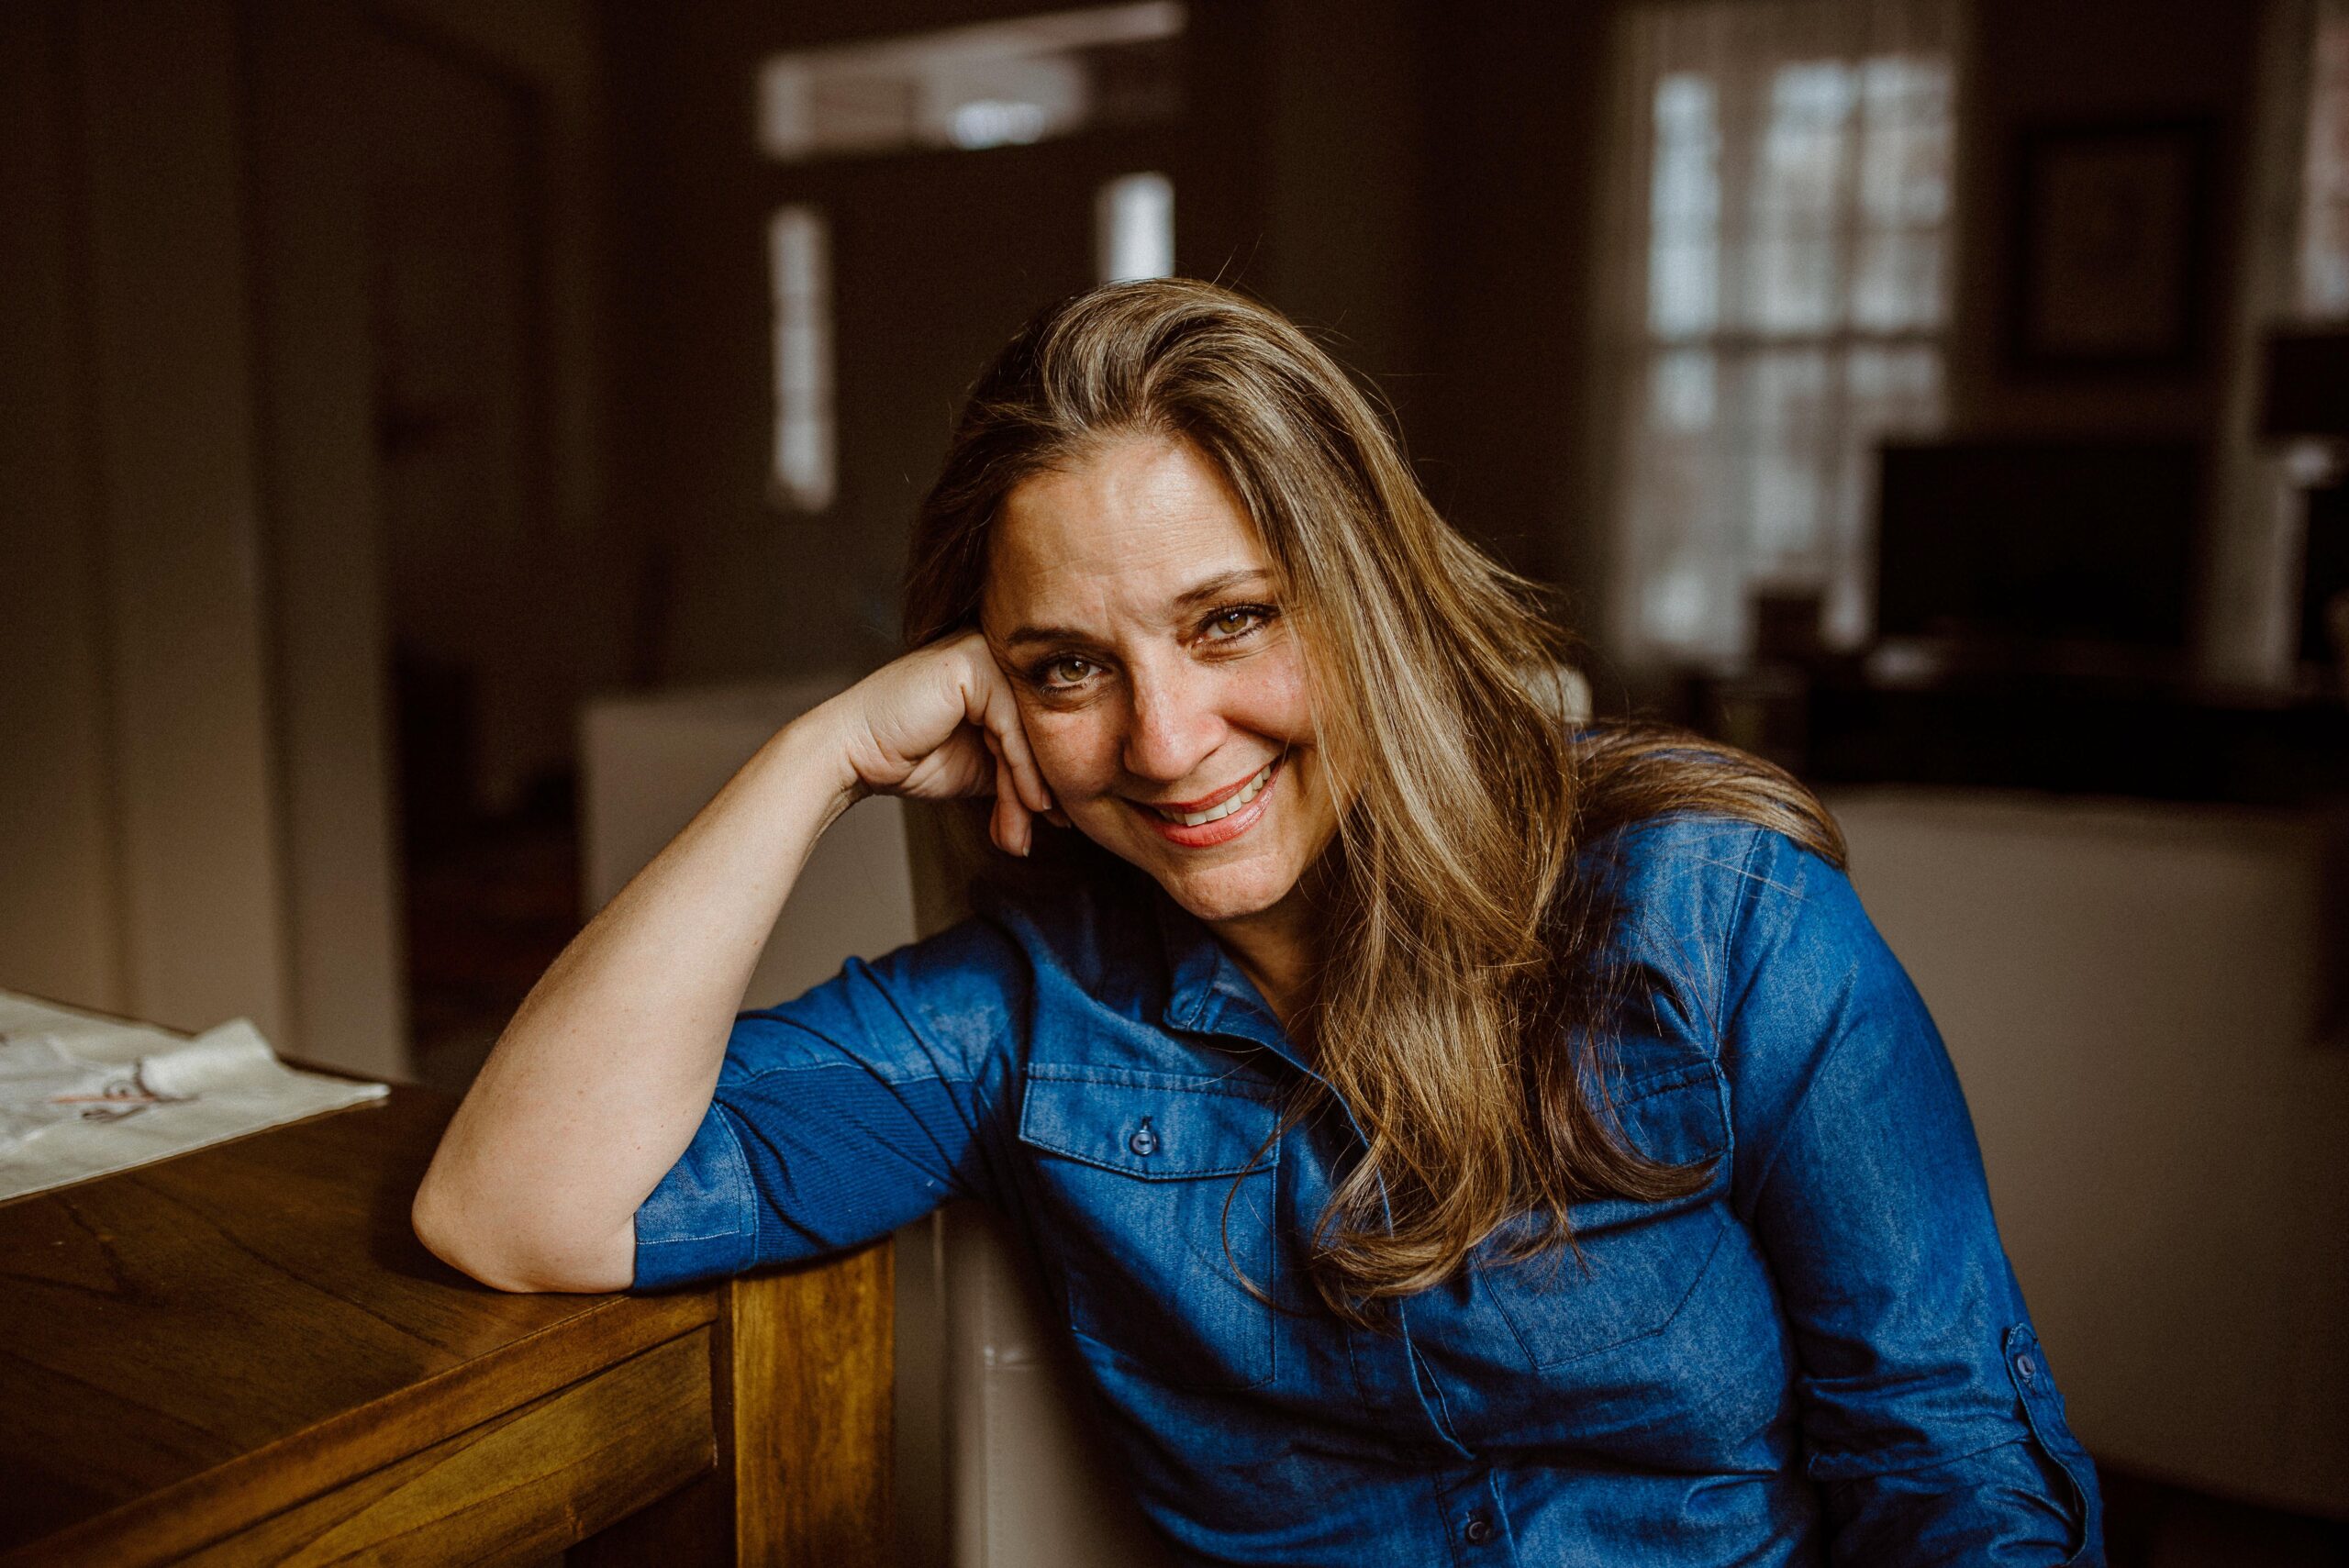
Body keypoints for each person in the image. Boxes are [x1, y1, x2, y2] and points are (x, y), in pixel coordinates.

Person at [413, 279, 2104, 1566]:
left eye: (1232, 622)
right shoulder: (1016, 1020)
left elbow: (1949, 1459)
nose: (1163, 742)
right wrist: (817, 757)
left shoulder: (1717, 919)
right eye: (1069, 666)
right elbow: (516, 1204)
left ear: (1368, 603)